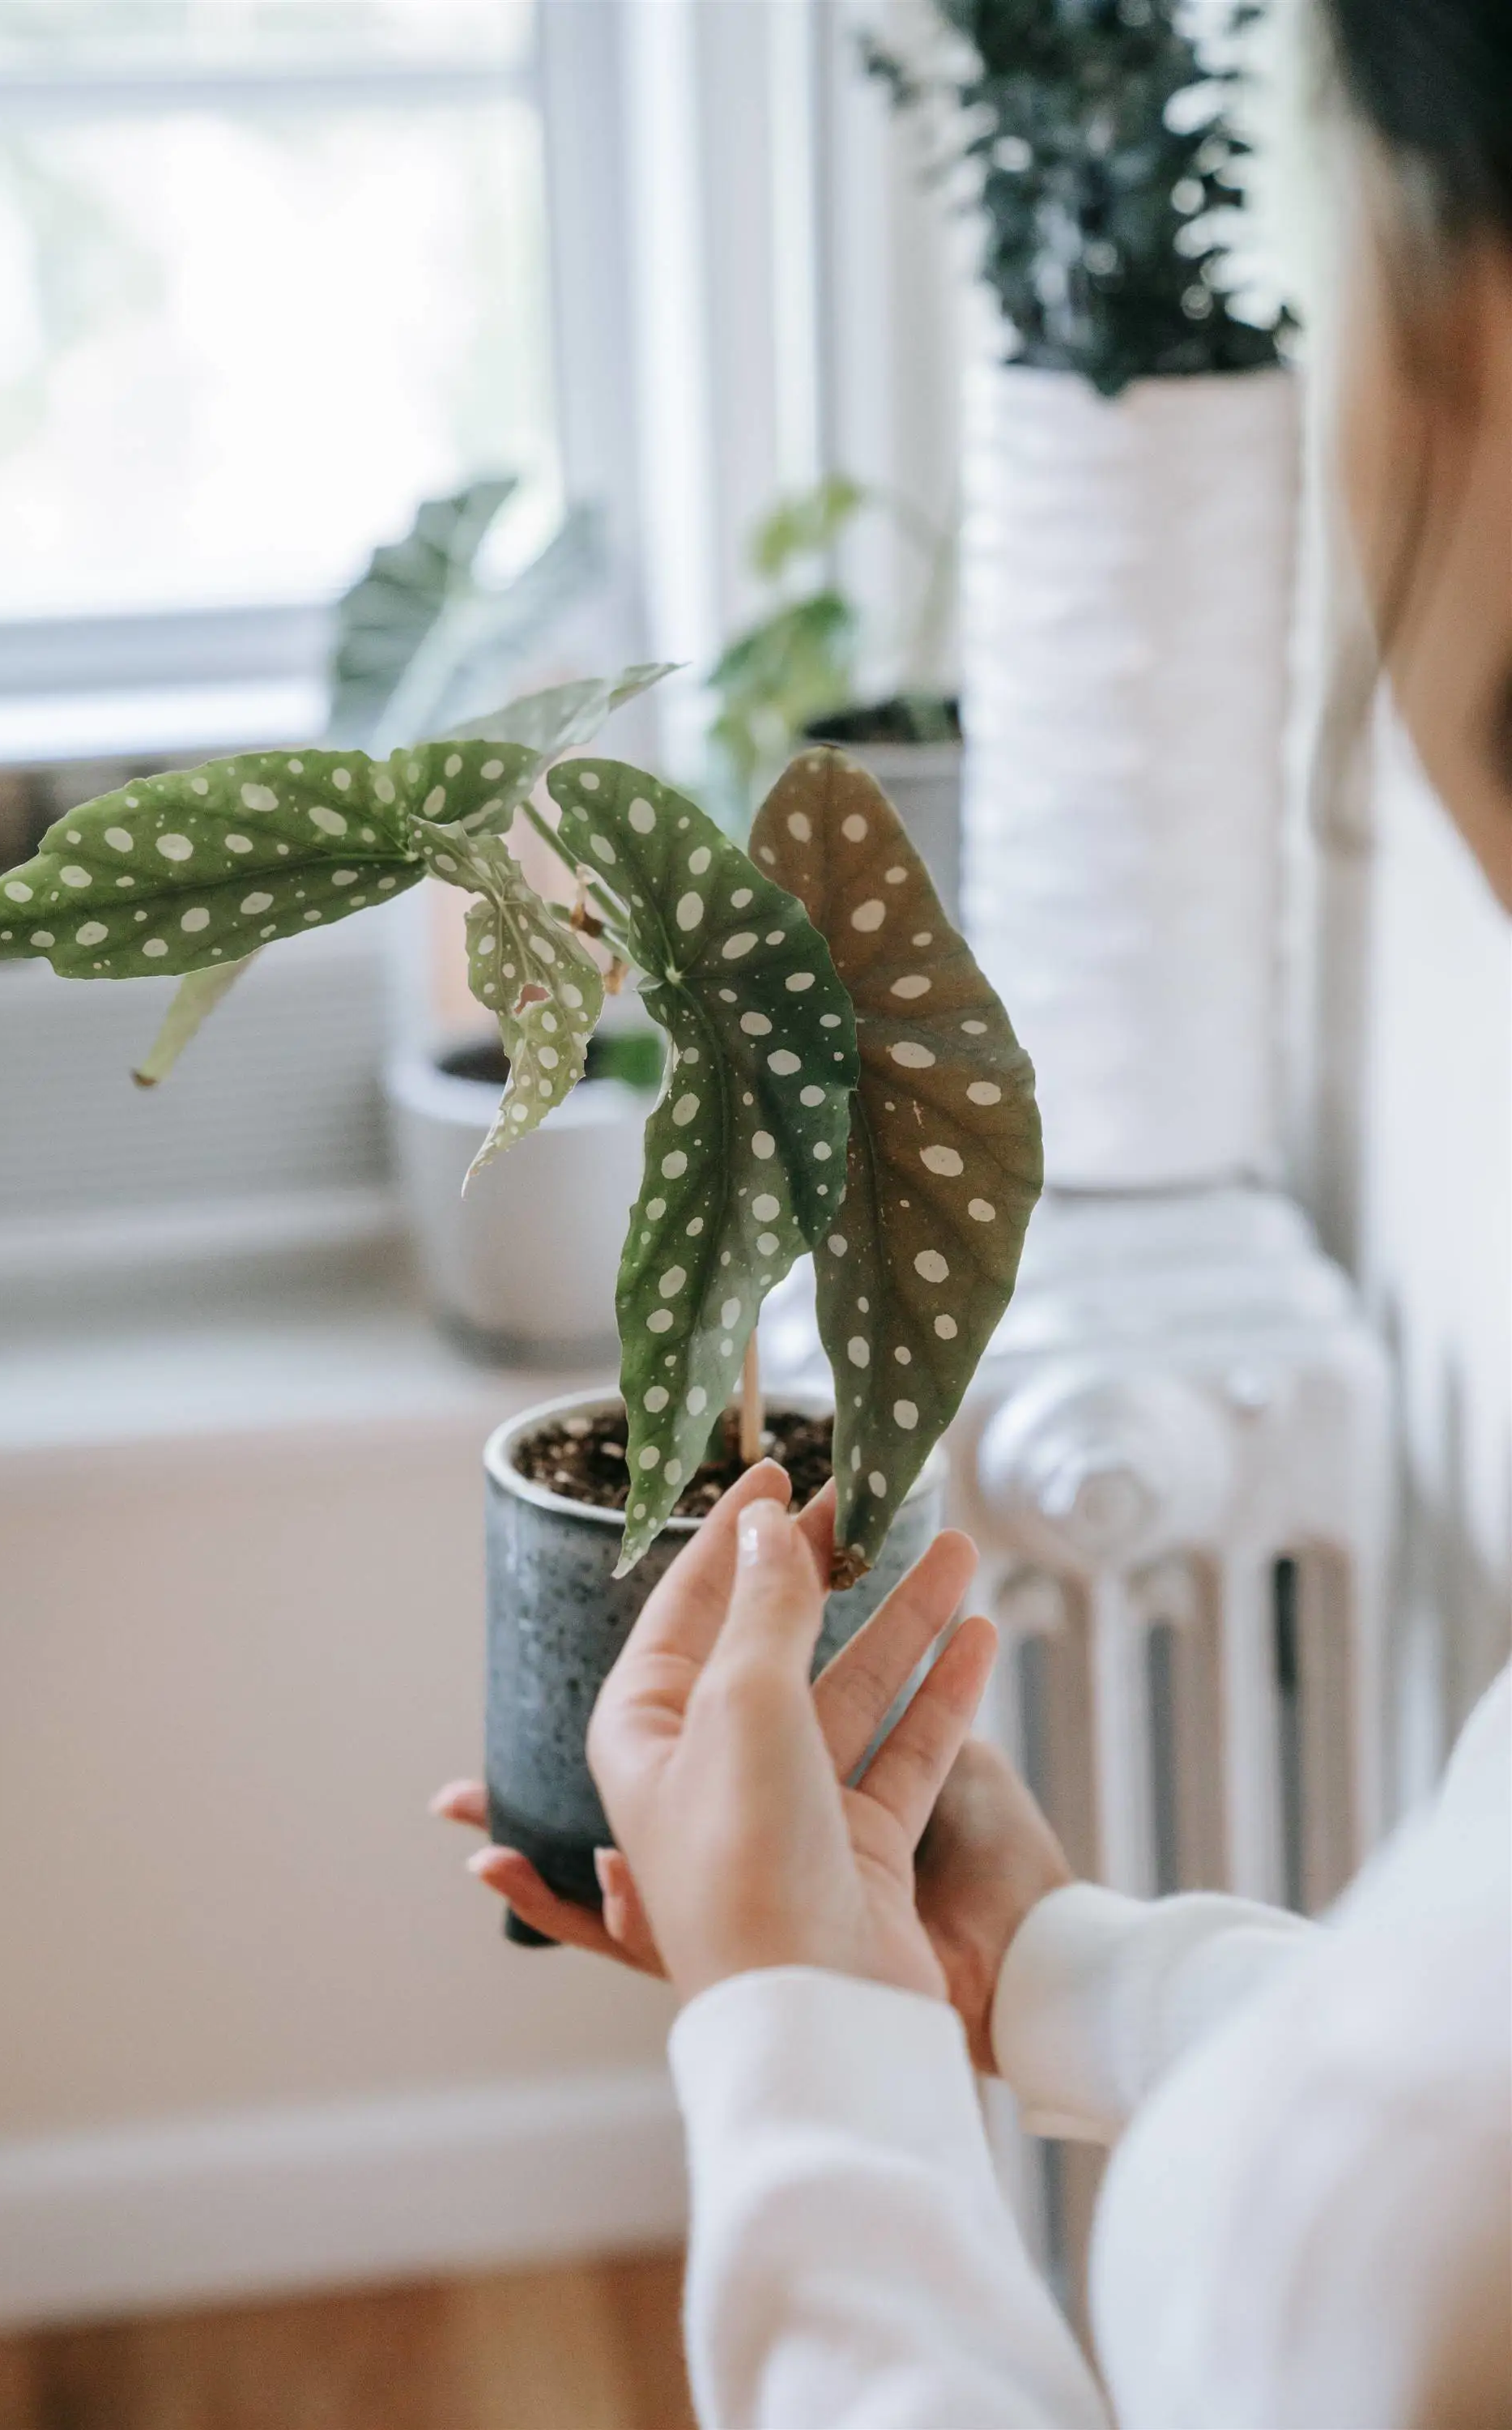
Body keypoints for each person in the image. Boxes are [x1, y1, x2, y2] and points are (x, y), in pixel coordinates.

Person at [437, 0, 1512, 2419]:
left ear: (1469, 331)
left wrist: (798, 2047)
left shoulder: (1418, 2231)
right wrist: (1039, 1956)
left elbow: (1430, 2163)